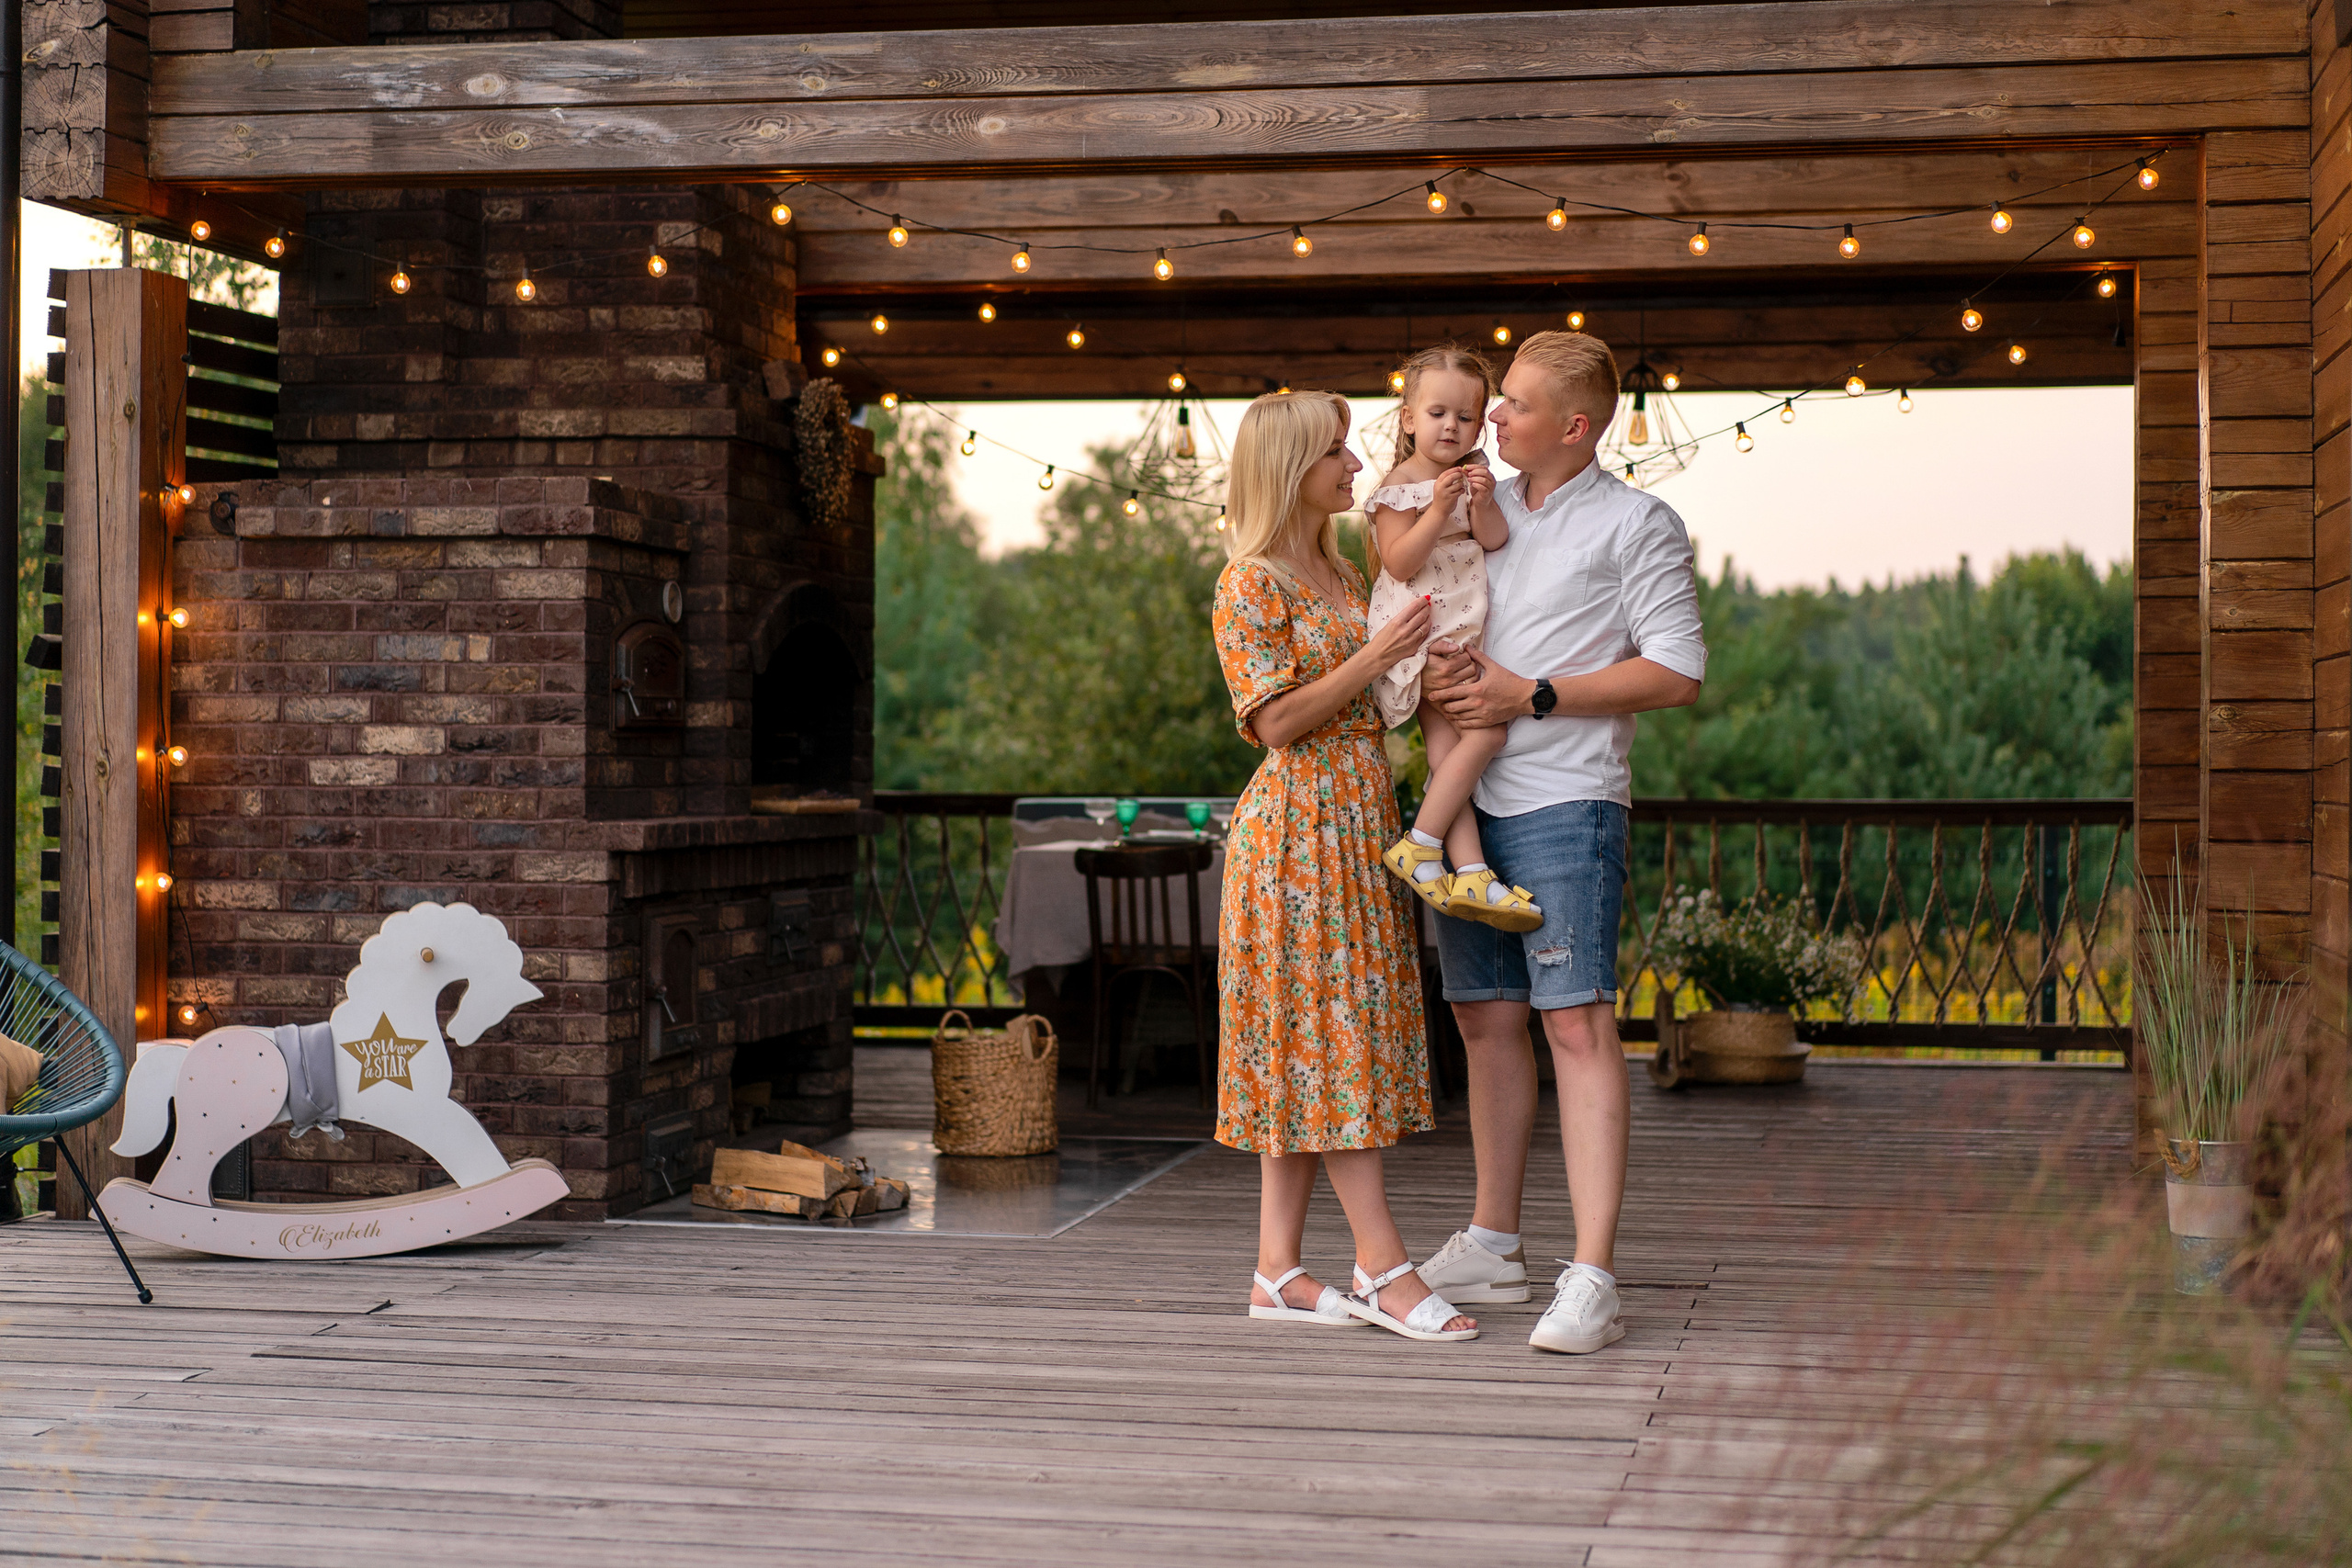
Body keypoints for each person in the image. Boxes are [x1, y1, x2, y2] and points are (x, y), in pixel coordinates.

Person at [1410, 332, 1708, 1354]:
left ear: (1574, 426)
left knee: (1573, 1026)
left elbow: (1676, 672)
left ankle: (1592, 1276)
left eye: (1516, 405)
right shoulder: (1479, 510)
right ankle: (1493, 1247)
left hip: (1567, 804)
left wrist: (1531, 693)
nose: (1492, 416)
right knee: (1485, 1021)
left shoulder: (1639, 524)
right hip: (1469, 815)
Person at [1211, 389, 1477, 1343]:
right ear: (1291, 468)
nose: (1357, 468)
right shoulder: (1250, 583)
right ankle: (1381, 1263)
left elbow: (1380, 686)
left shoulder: (1336, 565)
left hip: (1357, 817)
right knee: (1333, 1044)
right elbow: (1274, 720)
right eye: (1336, 453)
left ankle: (1276, 1270)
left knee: (1313, 1042)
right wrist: (1373, 658)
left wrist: (1423, 672)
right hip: (1293, 836)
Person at [1363, 344, 1543, 936]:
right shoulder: (1400, 486)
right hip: (1426, 637)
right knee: (1487, 731)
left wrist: (1483, 502)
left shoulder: (1470, 481)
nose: (1452, 427)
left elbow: (1492, 541)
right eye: (1438, 413)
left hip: (1459, 632)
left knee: (1447, 757)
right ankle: (1419, 843)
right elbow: (1399, 561)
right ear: (1409, 417)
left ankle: (1469, 871)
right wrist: (1438, 510)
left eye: (1466, 417)